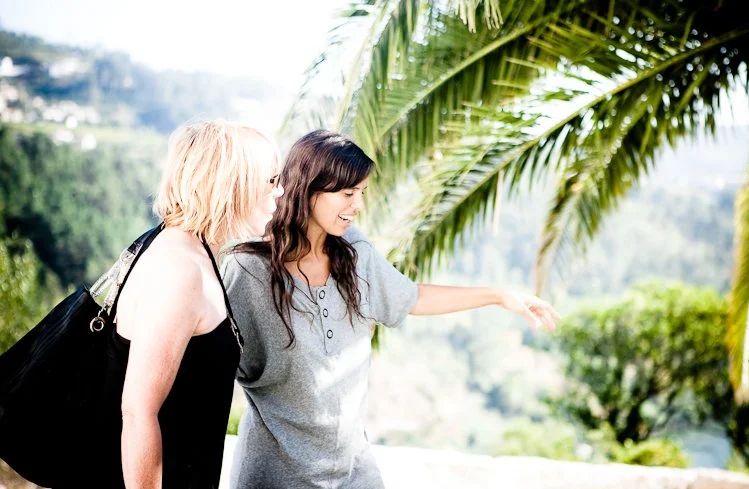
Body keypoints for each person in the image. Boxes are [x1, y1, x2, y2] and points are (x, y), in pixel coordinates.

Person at [221, 129, 560, 489]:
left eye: (362, 193)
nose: (358, 206)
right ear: (308, 188)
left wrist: (498, 295)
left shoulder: (352, 252)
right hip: (275, 477)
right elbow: (212, 367)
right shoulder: (249, 270)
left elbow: (411, 297)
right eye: (348, 193)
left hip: (354, 475)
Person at [94, 120, 283, 488]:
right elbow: (137, 412)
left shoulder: (195, 253)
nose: (281, 192)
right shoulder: (179, 269)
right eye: (272, 180)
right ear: (233, 184)